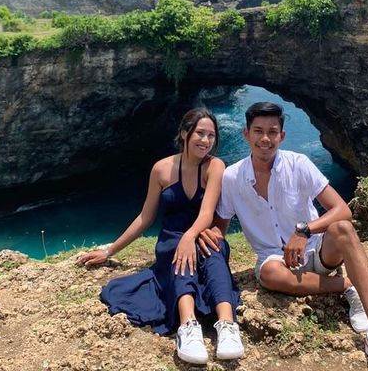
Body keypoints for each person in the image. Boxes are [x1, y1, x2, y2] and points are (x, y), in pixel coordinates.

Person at [198, 102, 368, 371]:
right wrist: (206, 234)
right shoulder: (232, 178)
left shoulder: (298, 164)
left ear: (282, 136)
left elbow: (342, 210)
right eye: (258, 131)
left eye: (272, 131)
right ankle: (348, 284)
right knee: (269, 275)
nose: (265, 139)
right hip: (274, 259)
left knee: (344, 229)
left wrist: (304, 230)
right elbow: (220, 224)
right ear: (246, 134)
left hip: (317, 249)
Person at [78, 108, 244, 365]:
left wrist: (191, 237)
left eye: (211, 135)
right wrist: (109, 251)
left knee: (214, 255)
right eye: (200, 133)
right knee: (181, 257)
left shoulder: (215, 166)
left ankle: (227, 325)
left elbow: (207, 212)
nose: (206, 140)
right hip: (171, 239)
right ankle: (188, 327)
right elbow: (145, 218)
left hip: (201, 234)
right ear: (184, 133)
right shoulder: (162, 169)